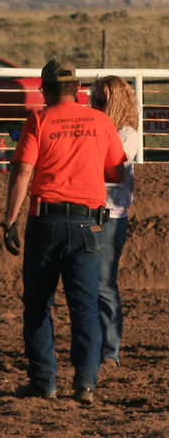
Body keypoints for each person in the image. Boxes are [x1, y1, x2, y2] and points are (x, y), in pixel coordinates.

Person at [2, 58, 125, 406]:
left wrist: (10, 220)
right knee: (84, 305)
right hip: (89, 223)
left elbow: (23, 171)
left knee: (38, 304)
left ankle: (44, 381)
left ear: (45, 90)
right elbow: (117, 173)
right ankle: (85, 383)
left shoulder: (38, 120)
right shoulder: (100, 121)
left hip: (45, 221)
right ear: (77, 89)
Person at [89, 75, 139, 367]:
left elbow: (110, 164)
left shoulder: (127, 133)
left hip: (111, 215)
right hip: (91, 212)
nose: (92, 103)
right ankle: (97, 345)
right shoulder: (101, 130)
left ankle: (109, 350)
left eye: (99, 99)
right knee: (89, 283)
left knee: (104, 283)